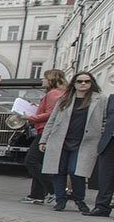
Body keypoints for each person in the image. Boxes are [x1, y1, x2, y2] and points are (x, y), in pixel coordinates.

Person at [40, 71, 103, 213]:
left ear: (91, 83)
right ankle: (60, 200)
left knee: (76, 171)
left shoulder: (99, 99)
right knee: (59, 170)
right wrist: (44, 140)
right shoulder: (65, 99)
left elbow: (104, 120)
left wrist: (101, 137)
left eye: (87, 81)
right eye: (80, 81)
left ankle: (79, 200)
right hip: (60, 140)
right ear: (74, 84)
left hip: (85, 142)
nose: (83, 84)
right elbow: (52, 120)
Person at [20, 69, 68, 204]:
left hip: (45, 131)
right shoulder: (61, 93)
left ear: (51, 79)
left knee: (31, 161)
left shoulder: (53, 94)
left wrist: (30, 117)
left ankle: (54, 190)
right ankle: (37, 194)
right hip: (50, 131)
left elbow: (51, 114)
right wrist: (37, 108)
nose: (43, 81)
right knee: (39, 162)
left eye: (45, 78)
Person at [84, 91, 114, 217]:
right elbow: (105, 118)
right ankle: (102, 207)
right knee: (105, 177)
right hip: (109, 141)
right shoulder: (111, 98)